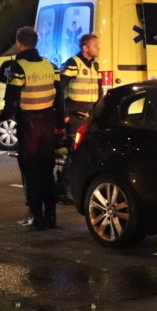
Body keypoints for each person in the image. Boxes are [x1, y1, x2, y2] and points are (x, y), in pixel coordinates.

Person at [0, 26, 63, 230]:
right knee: (47, 168)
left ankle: (37, 216)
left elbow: (12, 101)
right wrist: (59, 125)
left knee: (31, 170)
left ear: (19, 44)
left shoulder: (18, 68)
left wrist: (4, 118)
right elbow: (59, 98)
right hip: (49, 122)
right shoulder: (50, 66)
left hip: (29, 125)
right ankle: (51, 215)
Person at [57, 33, 102, 204]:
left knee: (86, 155)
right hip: (76, 116)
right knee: (74, 154)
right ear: (85, 48)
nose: (98, 48)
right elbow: (59, 89)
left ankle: (74, 188)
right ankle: (65, 190)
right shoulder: (73, 64)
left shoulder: (94, 66)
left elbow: (99, 91)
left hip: (89, 116)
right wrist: (65, 115)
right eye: (95, 45)